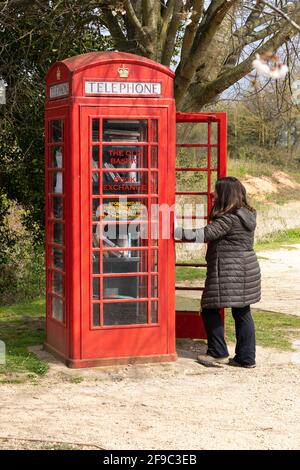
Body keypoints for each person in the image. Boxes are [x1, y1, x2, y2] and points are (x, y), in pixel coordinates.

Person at [174, 177, 261, 368]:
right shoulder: (247, 214)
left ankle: (218, 352)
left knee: (209, 309)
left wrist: (173, 229)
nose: (214, 194)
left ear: (226, 194)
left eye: (217, 191)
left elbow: (203, 234)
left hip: (229, 270)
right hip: (247, 268)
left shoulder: (229, 219)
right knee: (242, 312)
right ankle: (246, 358)